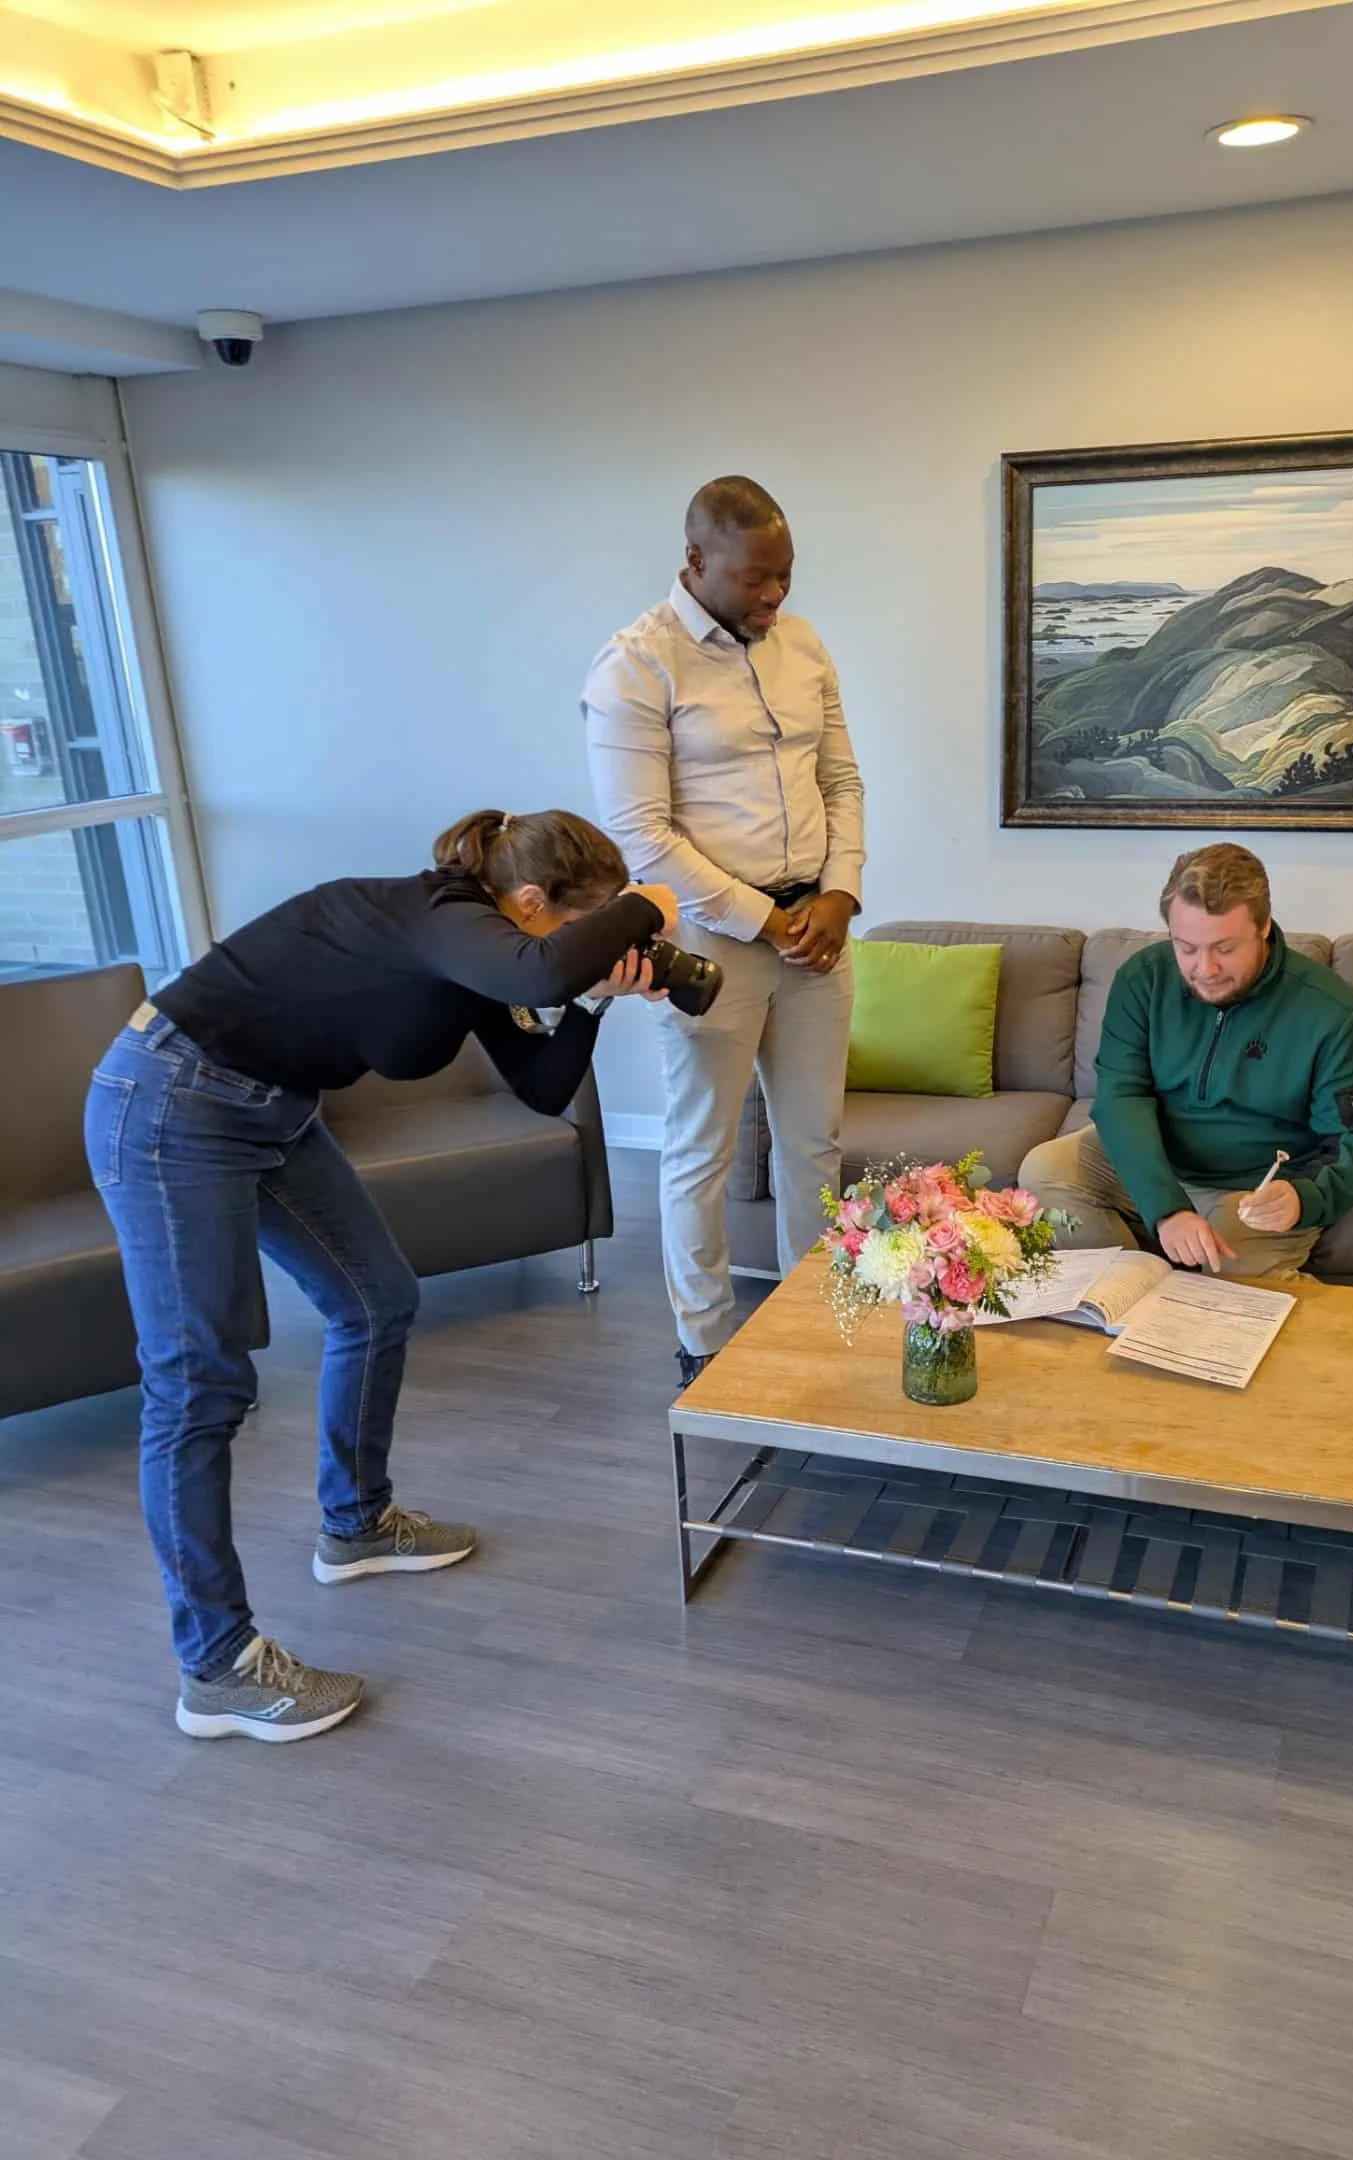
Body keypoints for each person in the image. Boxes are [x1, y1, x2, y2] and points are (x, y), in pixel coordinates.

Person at [84, 808, 676, 1743]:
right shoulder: (441, 916)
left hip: (269, 1110)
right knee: (198, 1388)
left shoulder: (488, 954)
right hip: (171, 1103)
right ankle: (216, 1666)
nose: (588, 944)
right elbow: (547, 967)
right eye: (583, 924)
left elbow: (542, 1084)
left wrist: (601, 999)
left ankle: (355, 1525)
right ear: (531, 903)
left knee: (375, 1299)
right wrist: (649, 902)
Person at [583, 475, 866, 1386]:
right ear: (696, 562)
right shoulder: (636, 664)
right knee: (702, 1146)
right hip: (711, 944)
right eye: (755, 580)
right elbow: (641, 835)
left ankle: (817, 1320)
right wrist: (764, 917)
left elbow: (843, 784)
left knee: (815, 1142)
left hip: (816, 929)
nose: (775, 596)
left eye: (786, 576)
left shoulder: (805, 644)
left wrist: (840, 896)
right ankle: (704, 1341)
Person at [1019, 844, 1353, 1279]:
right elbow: (1121, 1096)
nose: (1205, 969)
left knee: (1234, 1285)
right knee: (1044, 1171)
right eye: (1186, 948)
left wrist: (1305, 1198)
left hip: (1255, 1190)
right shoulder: (1143, 978)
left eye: (1225, 948)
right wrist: (1166, 1208)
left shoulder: (1332, 1011)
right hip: (1156, 1161)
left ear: (1264, 927)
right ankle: (1130, 1291)